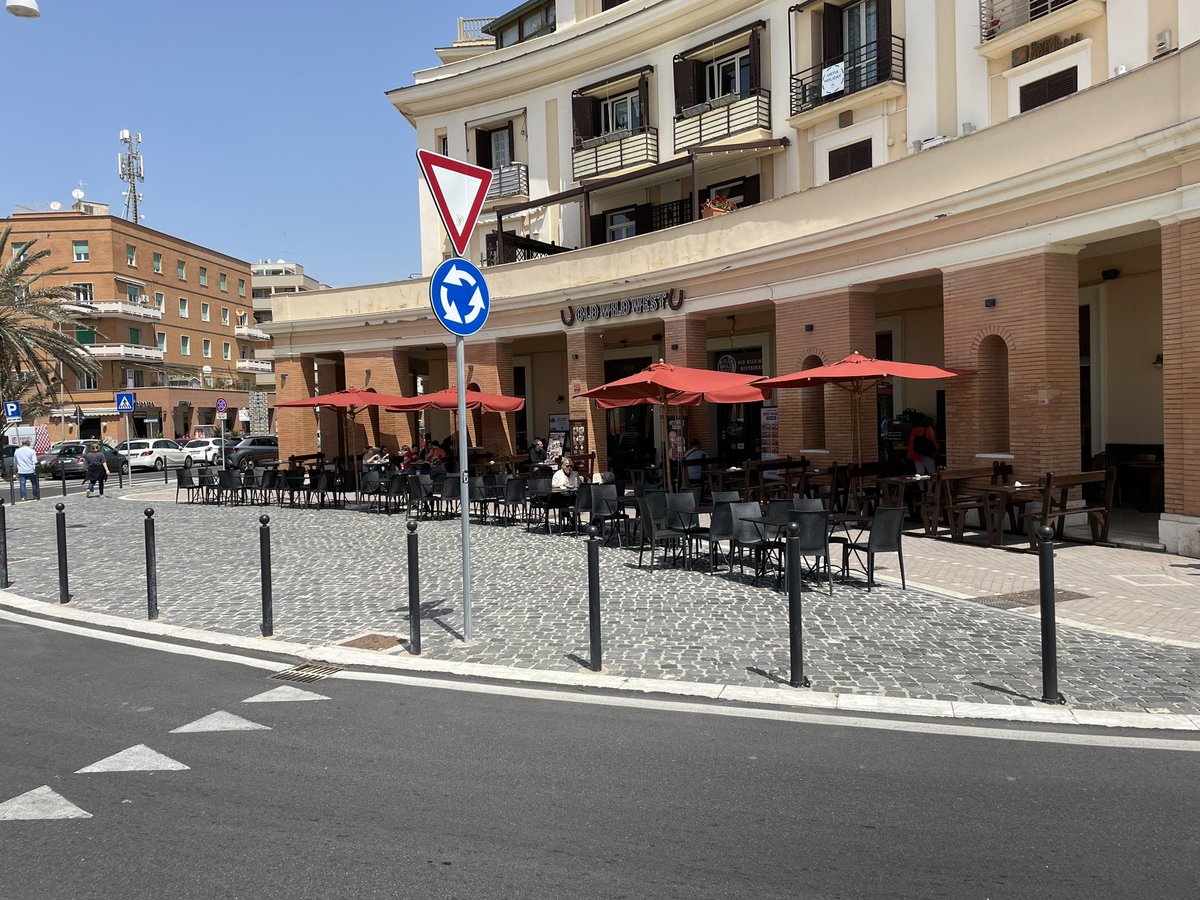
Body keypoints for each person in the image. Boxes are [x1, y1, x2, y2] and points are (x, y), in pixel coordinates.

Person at [907, 416, 939, 489]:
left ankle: (921, 491)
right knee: (931, 473)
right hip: (926, 454)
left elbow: (911, 443)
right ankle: (929, 492)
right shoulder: (928, 429)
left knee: (919, 473)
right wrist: (937, 450)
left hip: (915, 454)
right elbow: (934, 442)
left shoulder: (914, 430)